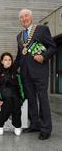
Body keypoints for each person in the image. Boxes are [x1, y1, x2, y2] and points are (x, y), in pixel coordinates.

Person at [15, 9, 56, 140]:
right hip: (25, 73)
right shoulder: (19, 36)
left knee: (43, 99)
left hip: (40, 71)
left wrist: (43, 57)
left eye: (26, 16)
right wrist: (11, 68)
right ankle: (35, 124)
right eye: (21, 17)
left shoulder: (42, 29)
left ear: (31, 17)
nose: (24, 19)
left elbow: (52, 47)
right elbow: (20, 55)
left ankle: (46, 128)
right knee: (31, 99)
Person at [0, 52, 25, 136]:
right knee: (8, 102)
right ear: (2, 61)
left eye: (9, 60)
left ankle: (17, 125)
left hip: (15, 96)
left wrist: (21, 99)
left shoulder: (16, 73)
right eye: (5, 60)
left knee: (16, 102)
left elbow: (21, 86)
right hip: (4, 96)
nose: (8, 61)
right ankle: (0, 123)